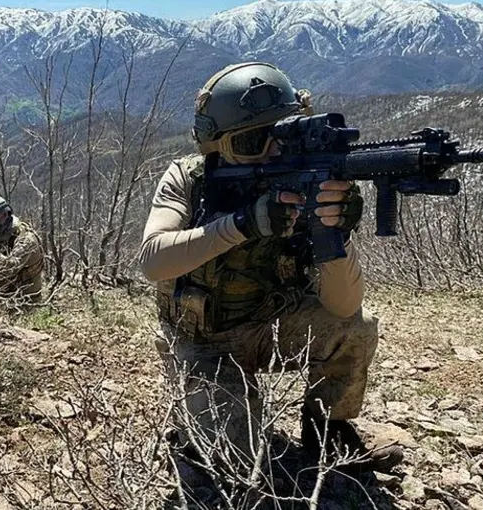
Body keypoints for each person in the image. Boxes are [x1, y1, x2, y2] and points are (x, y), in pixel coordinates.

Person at [139, 62, 403, 504]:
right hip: (203, 341)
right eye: (251, 143)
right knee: (236, 468)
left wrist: (332, 233)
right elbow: (153, 260)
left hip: (273, 325)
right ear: (215, 146)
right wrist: (243, 224)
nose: (270, 154)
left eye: (280, 136)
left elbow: (343, 307)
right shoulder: (189, 178)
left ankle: (327, 426)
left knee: (356, 327)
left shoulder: (303, 179)